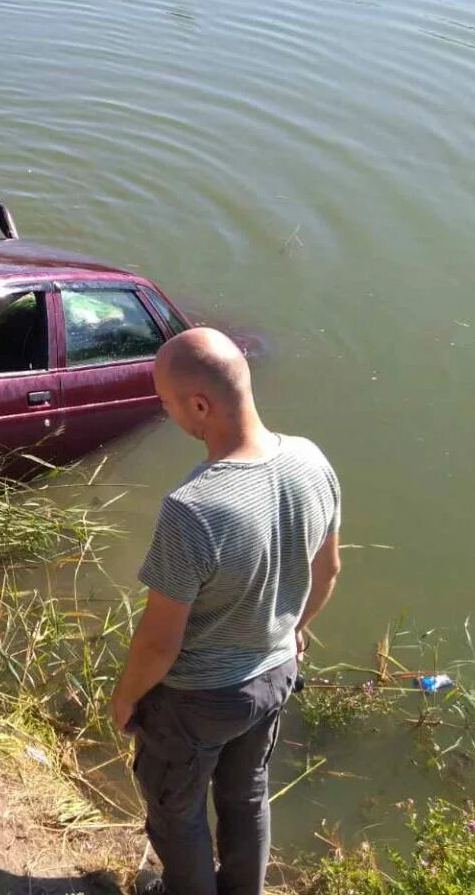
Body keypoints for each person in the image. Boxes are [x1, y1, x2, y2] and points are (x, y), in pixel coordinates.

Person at [108, 328, 341, 895]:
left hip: (197, 700)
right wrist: (294, 630)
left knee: (177, 812)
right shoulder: (311, 460)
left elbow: (160, 645)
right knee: (247, 794)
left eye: (165, 402)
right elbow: (328, 571)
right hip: (274, 676)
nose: (165, 413)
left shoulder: (193, 507)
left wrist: (125, 697)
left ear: (201, 405)